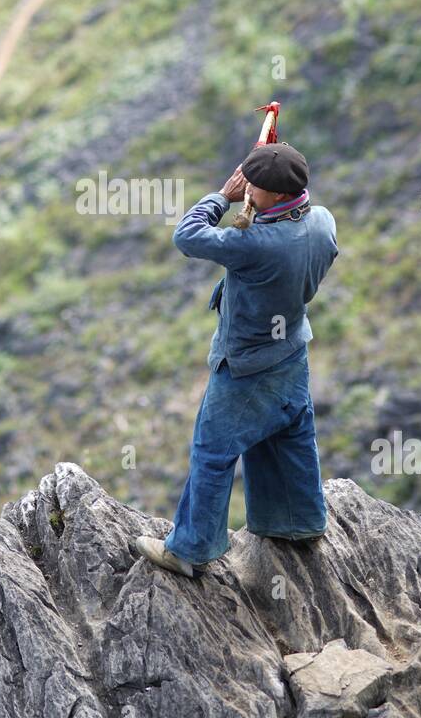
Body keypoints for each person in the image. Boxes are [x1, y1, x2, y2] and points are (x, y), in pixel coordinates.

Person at [135, 141, 338, 576]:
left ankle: (189, 550)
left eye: (255, 186)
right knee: (288, 435)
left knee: (213, 452)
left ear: (280, 196)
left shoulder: (257, 244)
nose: (247, 187)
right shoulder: (322, 223)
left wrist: (222, 197)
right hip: (291, 351)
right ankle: (297, 521)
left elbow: (186, 236)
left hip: (246, 365)